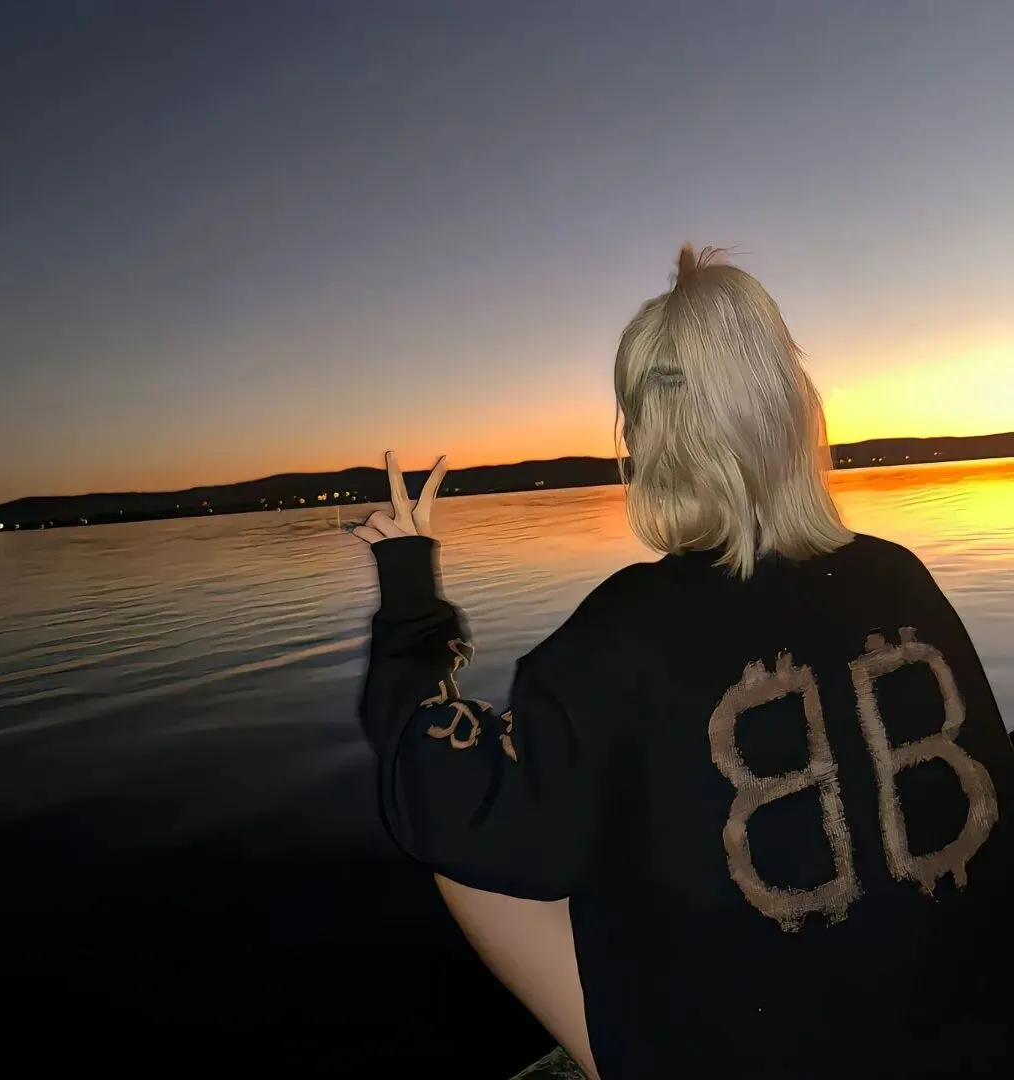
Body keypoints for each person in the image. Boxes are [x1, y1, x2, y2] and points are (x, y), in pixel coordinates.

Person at [351, 246, 1014, 1079]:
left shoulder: (623, 631)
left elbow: (431, 793)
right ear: (791, 412)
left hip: (757, 1054)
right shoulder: (900, 575)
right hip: (977, 1024)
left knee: (472, 840)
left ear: (645, 438)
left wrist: (412, 601)